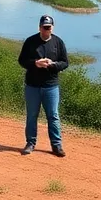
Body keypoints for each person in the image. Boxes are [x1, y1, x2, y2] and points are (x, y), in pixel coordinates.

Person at [17, 14, 70, 157]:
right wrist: (35, 63)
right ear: (39, 27)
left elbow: (65, 62)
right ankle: (30, 143)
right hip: (32, 86)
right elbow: (21, 61)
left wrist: (53, 65)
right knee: (32, 115)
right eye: (44, 27)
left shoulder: (58, 42)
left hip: (51, 86)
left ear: (52, 27)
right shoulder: (30, 41)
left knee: (53, 116)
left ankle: (56, 145)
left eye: (49, 27)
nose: (46, 30)